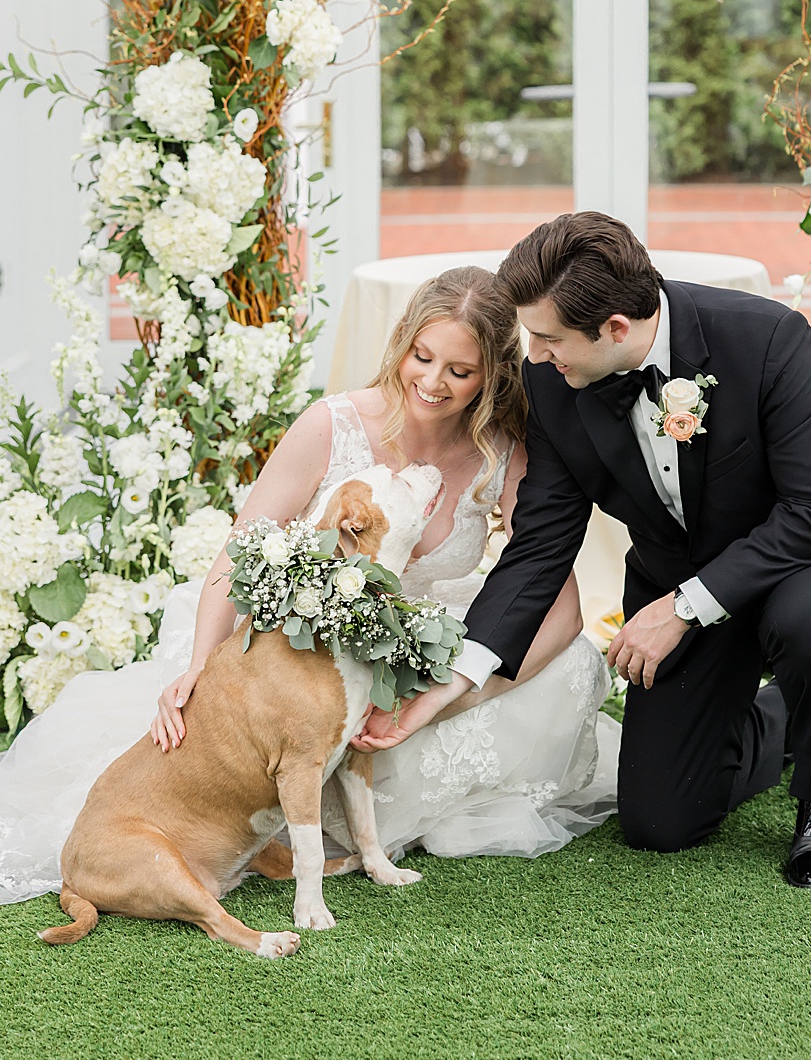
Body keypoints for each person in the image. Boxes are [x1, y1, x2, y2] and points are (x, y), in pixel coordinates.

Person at [0, 267, 615, 904]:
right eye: (421, 357)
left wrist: (444, 697)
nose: (433, 383)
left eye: (459, 372)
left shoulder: (502, 455)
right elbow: (233, 559)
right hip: (300, 648)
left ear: (493, 375)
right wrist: (198, 669)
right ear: (401, 343)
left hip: (417, 654)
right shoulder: (333, 424)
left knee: (569, 663)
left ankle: (378, 784)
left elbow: (561, 609)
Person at [357, 212, 811, 887]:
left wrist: (680, 609)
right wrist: (453, 678)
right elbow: (541, 547)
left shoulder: (768, 338)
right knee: (659, 823)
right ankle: (788, 716)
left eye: (548, 337)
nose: (531, 355)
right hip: (680, 573)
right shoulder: (550, 382)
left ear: (617, 328)